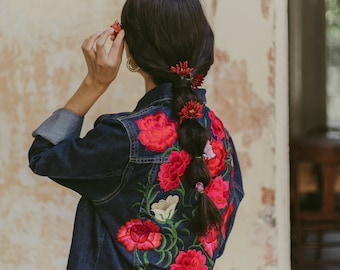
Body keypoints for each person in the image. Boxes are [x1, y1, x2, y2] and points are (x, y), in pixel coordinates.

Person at [28, 0, 244, 269]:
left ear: (132, 53)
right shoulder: (219, 135)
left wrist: (95, 83)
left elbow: (44, 155)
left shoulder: (127, 137)